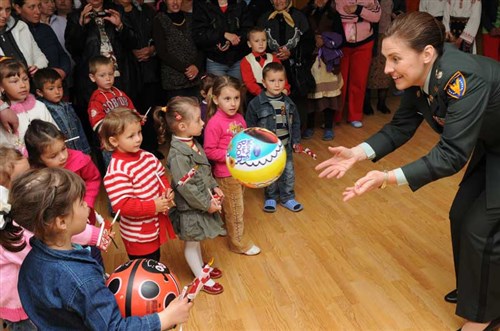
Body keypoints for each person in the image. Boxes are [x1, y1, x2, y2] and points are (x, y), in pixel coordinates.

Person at [316, 11, 500, 331]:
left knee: (480, 227)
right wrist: (356, 154)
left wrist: (387, 178)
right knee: (461, 215)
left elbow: (452, 154)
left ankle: (483, 314)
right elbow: (400, 127)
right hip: (493, 142)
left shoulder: (462, 79)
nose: (387, 69)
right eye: (386, 59)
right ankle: (478, 290)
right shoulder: (422, 78)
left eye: (395, 59)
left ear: (427, 54)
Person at [11, 167, 192, 330]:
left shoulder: (30, 260)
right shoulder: (82, 280)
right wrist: (164, 318)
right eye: (81, 202)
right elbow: (114, 328)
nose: (87, 206)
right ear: (61, 222)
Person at [0, 147, 107, 331]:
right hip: (21, 305)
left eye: (30, 172)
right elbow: (51, 239)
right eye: (22, 178)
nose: (31, 180)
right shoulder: (13, 231)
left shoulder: (24, 214)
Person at [153, 96, 226, 295]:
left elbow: (204, 169)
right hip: (191, 209)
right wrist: (206, 204)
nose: (203, 123)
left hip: (200, 203)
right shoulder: (178, 155)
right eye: (198, 120)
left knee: (197, 239)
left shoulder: (192, 143)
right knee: (192, 242)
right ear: (183, 125)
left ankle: (201, 267)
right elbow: (187, 188)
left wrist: (214, 186)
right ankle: (201, 278)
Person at [100, 108, 176, 261]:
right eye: (131, 136)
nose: (138, 139)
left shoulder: (147, 156)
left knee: (155, 261)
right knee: (143, 267)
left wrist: (166, 190)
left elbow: (160, 175)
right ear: (114, 141)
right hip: (138, 235)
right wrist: (153, 206)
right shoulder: (117, 170)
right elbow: (122, 205)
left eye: (139, 133)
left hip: (154, 226)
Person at [204, 75, 261, 256]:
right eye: (227, 99)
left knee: (231, 205)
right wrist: (231, 155)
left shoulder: (240, 119)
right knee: (236, 210)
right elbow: (209, 151)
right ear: (216, 99)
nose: (233, 103)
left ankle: (223, 227)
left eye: (236, 98)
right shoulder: (214, 123)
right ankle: (239, 244)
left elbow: (243, 141)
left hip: (240, 172)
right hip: (225, 175)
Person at [245, 62, 302, 213]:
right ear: (264, 82)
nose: (277, 85)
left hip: (286, 146)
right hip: (267, 149)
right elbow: (250, 126)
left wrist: (296, 141)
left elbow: (295, 122)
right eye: (272, 81)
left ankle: (287, 197)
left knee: (288, 173)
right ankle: (270, 197)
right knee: (270, 174)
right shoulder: (256, 104)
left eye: (280, 80)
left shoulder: (289, 103)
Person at [334, 0, 381, 128]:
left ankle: (355, 115)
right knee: (339, 82)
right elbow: (342, 12)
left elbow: (376, 16)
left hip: (365, 42)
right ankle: (335, 115)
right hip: (341, 43)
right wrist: (365, 11)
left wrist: (358, 9)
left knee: (359, 81)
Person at [302, 0, 344, 141]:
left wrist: (325, 41)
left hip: (328, 62)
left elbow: (341, 39)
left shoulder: (334, 14)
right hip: (310, 60)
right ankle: (309, 126)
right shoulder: (305, 12)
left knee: (329, 95)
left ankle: (328, 127)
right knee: (311, 95)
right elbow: (300, 35)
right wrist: (313, 40)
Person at [257, 0, 314, 98]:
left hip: (296, 73)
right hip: (272, 71)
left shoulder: (300, 17)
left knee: (298, 108)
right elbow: (256, 41)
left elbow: (309, 43)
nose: (278, 1)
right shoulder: (264, 18)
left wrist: (291, 53)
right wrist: (271, 54)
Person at [0, 58, 57, 155]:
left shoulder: (39, 106)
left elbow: (55, 133)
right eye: (15, 81)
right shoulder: (3, 115)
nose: (23, 85)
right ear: (1, 87)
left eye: (25, 79)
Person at [152, 0, 202, 101]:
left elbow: (201, 44)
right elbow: (162, 52)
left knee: (197, 112)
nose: (175, 2)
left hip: (195, 77)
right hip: (174, 80)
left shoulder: (191, 18)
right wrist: (186, 69)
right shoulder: (159, 20)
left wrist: (196, 66)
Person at [33, 68, 91, 154]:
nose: (57, 92)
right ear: (40, 92)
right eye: (51, 89)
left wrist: (86, 151)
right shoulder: (43, 109)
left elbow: (79, 129)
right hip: (63, 154)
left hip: (79, 151)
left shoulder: (67, 106)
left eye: (59, 87)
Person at [192, 0, 252, 80]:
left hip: (238, 59)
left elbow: (248, 31)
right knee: (217, 91)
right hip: (215, 60)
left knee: (236, 91)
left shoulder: (240, 4)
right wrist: (223, 35)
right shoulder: (202, 5)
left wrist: (231, 41)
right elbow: (199, 34)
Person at [14, 0, 71, 80]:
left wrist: (62, 71)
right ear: (18, 8)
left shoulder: (45, 29)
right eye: (32, 7)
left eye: (39, 6)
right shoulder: (15, 33)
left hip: (59, 82)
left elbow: (62, 54)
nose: (38, 11)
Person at [240, 26, 291, 99]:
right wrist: (264, 94)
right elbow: (249, 83)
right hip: (256, 95)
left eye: (263, 40)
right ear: (249, 44)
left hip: (276, 92)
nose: (261, 43)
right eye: (257, 41)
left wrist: (285, 89)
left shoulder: (274, 58)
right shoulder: (245, 61)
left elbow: (282, 76)